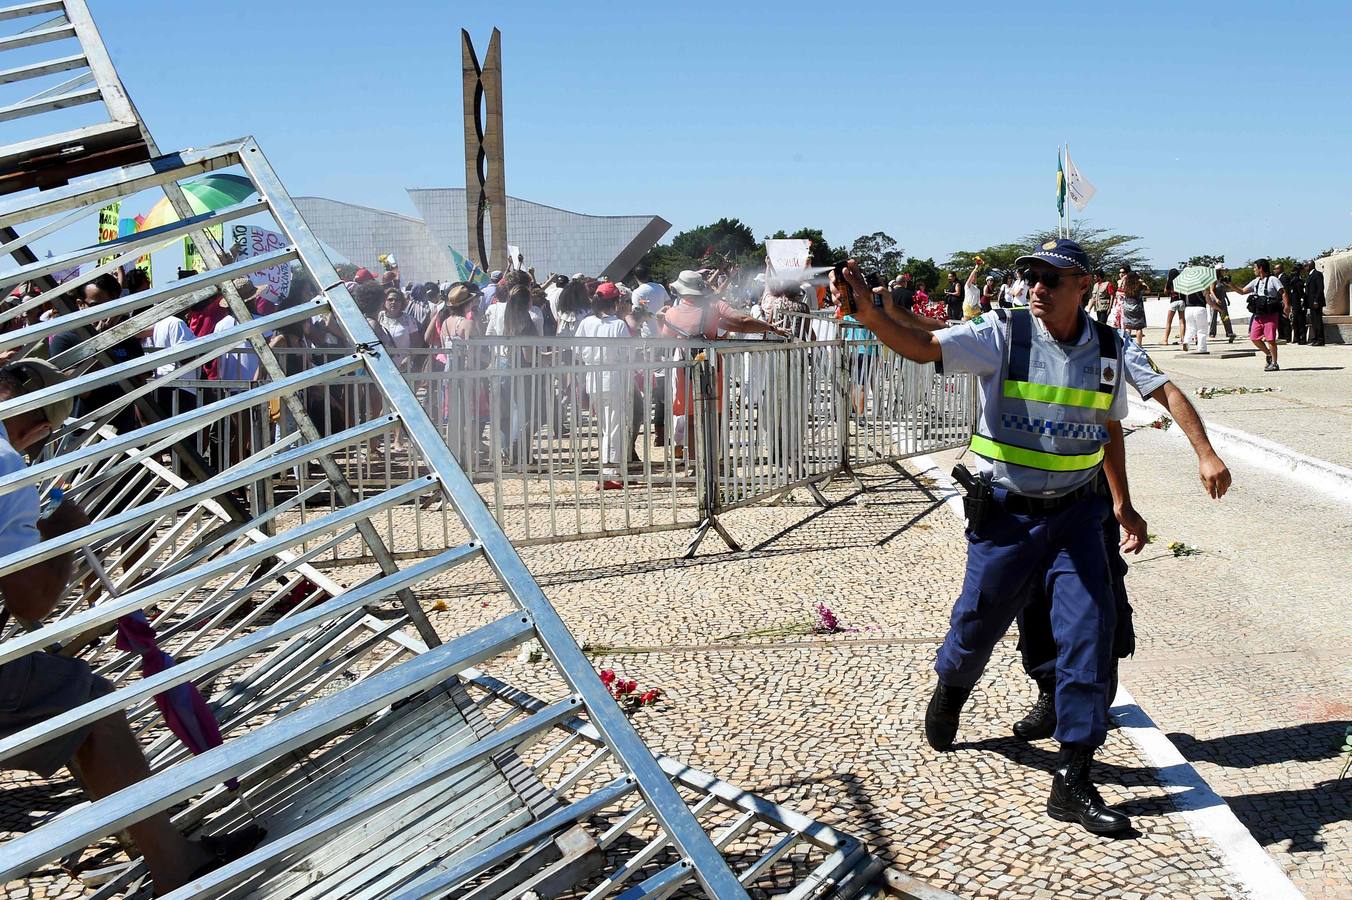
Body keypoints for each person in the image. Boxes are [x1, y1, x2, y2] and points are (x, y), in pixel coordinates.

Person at [837, 238, 1230, 837]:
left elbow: (1154, 399)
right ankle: (953, 685)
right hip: (1007, 517)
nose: (1038, 286)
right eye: (1032, 276)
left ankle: (1072, 775)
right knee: (978, 622)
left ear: (1085, 286)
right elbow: (923, 346)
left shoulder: (1110, 345)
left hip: (1076, 516)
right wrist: (870, 315)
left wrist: (1199, 457)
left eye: (1053, 278)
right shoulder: (1005, 333)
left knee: (1090, 636)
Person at [0, 361, 263, 892]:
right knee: (92, 705)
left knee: (63, 687)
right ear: (37, 429)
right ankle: (174, 865)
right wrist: (66, 535)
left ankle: (140, 835)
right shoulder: (8, 467)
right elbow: (31, 602)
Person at [659, 270, 785, 460]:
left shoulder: (672, 313)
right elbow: (741, 321)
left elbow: (664, 340)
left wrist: (662, 319)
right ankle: (715, 460)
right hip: (711, 366)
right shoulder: (714, 306)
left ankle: (697, 464)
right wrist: (770, 327)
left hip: (686, 369)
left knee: (692, 417)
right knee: (715, 414)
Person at [575, 283, 634, 489]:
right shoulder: (618, 325)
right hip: (614, 377)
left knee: (605, 428)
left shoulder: (586, 323)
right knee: (614, 428)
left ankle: (607, 470)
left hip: (594, 377)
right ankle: (610, 471)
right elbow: (628, 354)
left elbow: (578, 351)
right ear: (615, 302)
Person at [1229, 258, 1290, 371]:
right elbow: (1242, 291)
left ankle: (1275, 363)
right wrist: (1230, 284)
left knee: (1270, 339)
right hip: (1259, 314)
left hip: (1270, 313)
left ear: (1261, 268)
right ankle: (1268, 354)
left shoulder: (1273, 280)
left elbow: (1283, 292)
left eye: (1255, 267)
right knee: (1254, 337)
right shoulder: (1256, 281)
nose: (1254, 270)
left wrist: (1286, 306)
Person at [1180, 280, 1221, 355]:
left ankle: (1186, 342)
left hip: (1188, 309)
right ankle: (1202, 348)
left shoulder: (1187, 289)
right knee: (1202, 330)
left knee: (1190, 328)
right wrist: (1219, 309)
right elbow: (1209, 302)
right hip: (1200, 308)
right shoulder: (1203, 287)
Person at [1116, 265, 1147, 345]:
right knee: (1138, 328)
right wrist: (1142, 282)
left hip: (1127, 308)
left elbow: (1119, 289)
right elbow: (1147, 289)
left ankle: (1127, 344)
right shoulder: (1139, 287)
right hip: (1137, 308)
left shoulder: (1126, 286)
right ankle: (1139, 345)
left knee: (1128, 327)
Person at [1278, 262, 1306, 345]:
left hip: (1294, 303)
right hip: (1298, 303)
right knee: (1300, 321)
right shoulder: (1298, 280)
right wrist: (1302, 300)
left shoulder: (1293, 279)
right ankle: (1301, 338)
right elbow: (1300, 292)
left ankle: (1296, 338)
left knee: (1295, 321)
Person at [1209, 267, 1237, 343]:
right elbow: (1211, 290)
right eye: (1222, 270)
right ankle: (1212, 333)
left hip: (1222, 300)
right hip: (1215, 301)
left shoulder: (1223, 280)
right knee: (1213, 318)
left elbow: (1223, 291)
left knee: (1225, 317)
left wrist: (1227, 299)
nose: (1224, 272)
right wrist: (1216, 299)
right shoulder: (1214, 280)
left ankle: (1229, 332)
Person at [1304, 261, 1326, 346]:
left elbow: (1320, 288)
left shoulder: (1317, 274)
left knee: (1318, 321)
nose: (1305, 267)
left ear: (1310, 266)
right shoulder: (1309, 275)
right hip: (1311, 302)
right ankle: (1315, 338)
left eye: (1306, 265)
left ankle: (1320, 340)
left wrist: (1316, 300)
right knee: (1314, 321)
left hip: (1316, 302)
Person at [1161, 268, 1182, 346]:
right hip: (1181, 301)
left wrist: (1167, 282)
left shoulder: (1170, 282)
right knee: (1182, 321)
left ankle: (1165, 339)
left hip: (1173, 301)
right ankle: (1182, 339)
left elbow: (1165, 292)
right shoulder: (1181, 281)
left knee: (1169, 322)